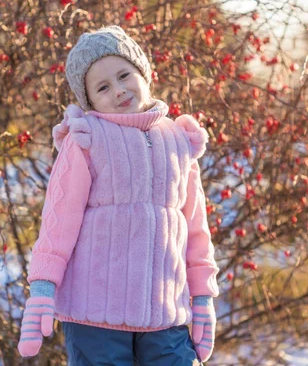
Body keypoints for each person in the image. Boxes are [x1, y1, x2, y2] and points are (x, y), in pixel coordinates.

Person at [17, 25, 219, 365]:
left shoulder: (180, 141)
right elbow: (58, 222)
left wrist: (202, 296)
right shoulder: (86, 140)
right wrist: (42, 288)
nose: (119, 90)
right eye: (103, 87)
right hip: (96, 317)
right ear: (89, 100)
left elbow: (196, 229)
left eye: (124, 75)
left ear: (144, 72)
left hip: (164, 314)